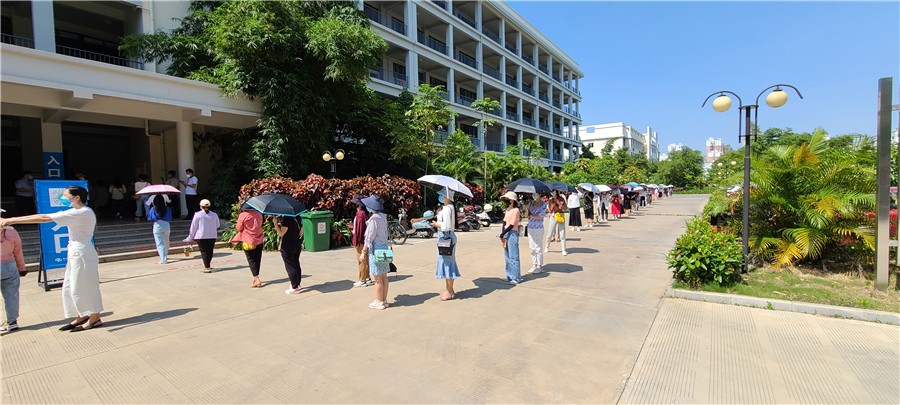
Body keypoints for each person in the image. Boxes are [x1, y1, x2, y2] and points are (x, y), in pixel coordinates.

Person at [0, 186, 104, 332]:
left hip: (82, 253)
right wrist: (11, 220)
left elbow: (45, 218)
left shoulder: (82, 212)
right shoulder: (75, 211)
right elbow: (45, 216)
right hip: (76, 252)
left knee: (86, 285)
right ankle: (83, 314)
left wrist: (11, 220)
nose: (63, 198)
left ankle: (95, 318)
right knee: (72, 286)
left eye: (66, 195)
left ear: (77, 197)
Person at [360, 195, 390, 310]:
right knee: (384, 276)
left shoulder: (373, 219)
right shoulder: (383, 217)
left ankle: (379, 301)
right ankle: (384, 300)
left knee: (377, 277)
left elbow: (369, 237)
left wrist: (364, 252)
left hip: (376, 249)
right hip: (384, 248)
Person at [431, 188, 460, 301]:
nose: (442, 198)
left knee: (448, 264)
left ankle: (449, 291)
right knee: (447, 263)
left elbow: (446, 226)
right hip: (447, 237)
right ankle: (449, 290)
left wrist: (436, 224)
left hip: (446, 236)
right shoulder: (449, 207)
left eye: (443, 196)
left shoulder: (448, 208)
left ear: (448, 197)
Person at [1, 209, 26, 332]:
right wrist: (22, 267)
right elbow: (18, 251)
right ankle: (12, 321)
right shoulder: (11, 231)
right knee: (11, 295)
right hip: (9, 266)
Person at [232, 204, 265, 288]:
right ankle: (256, 277)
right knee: (257, 258)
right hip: (259, 238)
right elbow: (261, 224)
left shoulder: (243, 215)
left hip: (248, 239)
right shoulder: (259, 214)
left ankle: (256, 278)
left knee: (251, 259)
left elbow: (239, 228)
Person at [184, 199, 219, 273]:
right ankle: (208, 265)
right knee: (210, 251)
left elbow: (193, 227)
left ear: (200, 206)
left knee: (204, 252)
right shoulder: (214, 215)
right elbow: (217, 225)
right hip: (212, 235)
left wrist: (190, 237)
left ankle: (207, 267)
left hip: (201, 236)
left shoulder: (198, 215)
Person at [273, 215, 303, 295]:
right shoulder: (298, 217)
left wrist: (275, 224)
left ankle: (294, 287)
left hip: (287, 245)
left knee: (290, 266)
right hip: (297, 243)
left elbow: (281, 233)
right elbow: (301, 231)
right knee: (296, 264)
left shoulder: (287, 218)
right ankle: (297, 284)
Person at [500, 191, 522, 284]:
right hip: (506, 233)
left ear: (512, 200)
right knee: (507, 256)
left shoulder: (516, 210)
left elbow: (512, 224)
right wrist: (502, 233)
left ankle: (516, 277)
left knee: (514, 256)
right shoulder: (508, 209)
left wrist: (503, 233)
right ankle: (509, 276)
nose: (505, 200)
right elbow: (504, 222)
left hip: (512, 233)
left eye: (507, 199)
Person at [350, 195, 371, 287]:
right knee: (366, 259)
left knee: (361, 260)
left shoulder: (359, 214)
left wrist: (357, 241)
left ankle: (362, 279)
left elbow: (359, 230)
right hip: (365, 240)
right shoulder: (364, 213)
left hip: (360, 240)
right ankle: (367, 277)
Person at [525, 193, 547, 274]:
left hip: (538, 227)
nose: (534, 196)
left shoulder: (543, 204)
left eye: (536, 194)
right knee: (532, 247)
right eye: (533, 194)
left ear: (539, 195)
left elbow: (540, 217)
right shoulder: (530, 203)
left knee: (538, 247)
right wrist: (527, 209)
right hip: (530, 227)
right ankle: (534, 264)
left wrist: (531, 216)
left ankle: (539, 265)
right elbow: (526, 216)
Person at [147, 195, 172, 264]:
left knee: (160, 243)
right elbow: (170, 217)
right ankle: (165, 255)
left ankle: (163, 259)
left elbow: (150, 218)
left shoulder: (153, 209)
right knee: (166, 241)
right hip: (166, 225)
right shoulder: (167, 208)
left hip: (157, 225)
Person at [544, 190, 568, 256]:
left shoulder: (561, 198)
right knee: (550, 232)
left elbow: (565, 208)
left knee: (562, 233)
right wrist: (552, 205)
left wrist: (559, 203)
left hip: (560, 216)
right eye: (551, 192)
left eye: (554, 191)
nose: (552, 193)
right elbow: (549, 210)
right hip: (553, 216)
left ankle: (563, 250)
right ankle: (546, 246)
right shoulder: (550, 200)